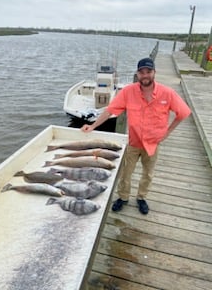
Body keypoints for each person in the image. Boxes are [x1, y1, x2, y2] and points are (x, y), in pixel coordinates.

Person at [81, 57, 191, 215]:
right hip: (133, 142)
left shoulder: (167, 93)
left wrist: (167, 132)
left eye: (148, 71)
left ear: (154, 73)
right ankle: (123, 197)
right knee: (126, 172)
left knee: (148, 173)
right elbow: (110, 110)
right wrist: (92, 126)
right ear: (137, 74)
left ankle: (141, 197)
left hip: (153, 143)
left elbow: (183, 113)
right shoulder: (127, 91)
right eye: (141, 72)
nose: (145, 75)